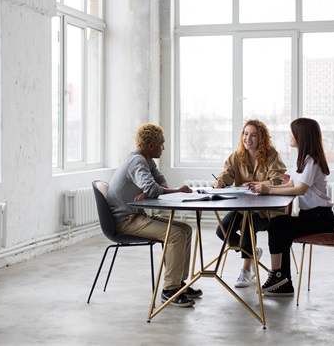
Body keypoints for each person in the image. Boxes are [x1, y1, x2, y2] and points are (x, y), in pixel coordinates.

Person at [107, 123, 202, 307]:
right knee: (175, 235)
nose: (163, 148)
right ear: (151, 146)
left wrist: (154, 190)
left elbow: (160, 183)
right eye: (162, 144)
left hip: (135, 216)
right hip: (124, 221)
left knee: (185, 229)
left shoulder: (148, 161)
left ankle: (179, 284)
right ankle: (169, 290)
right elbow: (153, 188)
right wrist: (171, 190)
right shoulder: (137, 161)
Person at [252, 117, 334, 297]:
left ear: (302, 136)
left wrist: (269, 190)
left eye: (293, 133)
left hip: (320, 219)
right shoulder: (303, 158)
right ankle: (283, 282)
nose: (290, 136)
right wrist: (265, 189)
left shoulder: (312, 161)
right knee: (280, 225)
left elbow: (300, 189)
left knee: (278, 226)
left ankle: (278, 277)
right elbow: (290, 184)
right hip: (311, 216)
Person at [213, 119, 286, 288]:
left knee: (248, 223)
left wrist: (258, 185)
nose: (248, 139)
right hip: (242, 208)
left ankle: (246, 270)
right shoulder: (237, 156)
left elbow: (277, 181)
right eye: (246, 134)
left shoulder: (271, 154)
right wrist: (220, 182)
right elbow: (226, 174)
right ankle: (253, 253)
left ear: (261, 138)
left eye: (253, 135)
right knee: (222, 230)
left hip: (266, 212)